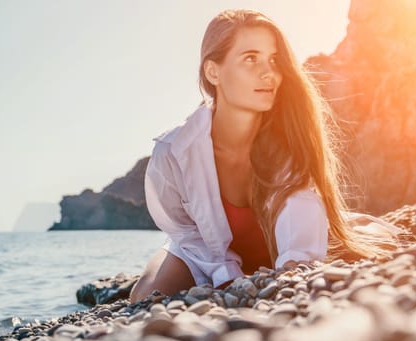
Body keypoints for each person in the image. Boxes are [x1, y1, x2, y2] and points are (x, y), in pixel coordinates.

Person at [129, 9, 401, 303]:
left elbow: (300, 220)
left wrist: (291, 269)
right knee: (143, 299)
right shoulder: (172, 151)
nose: (269, 73)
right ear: (213, 72)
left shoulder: (290, 139)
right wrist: (229, 277)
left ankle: (349, 226)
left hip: (285, 242)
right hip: (203, 253)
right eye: (250, 58)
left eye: (274, 60)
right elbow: (185, 233)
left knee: (380, 247)